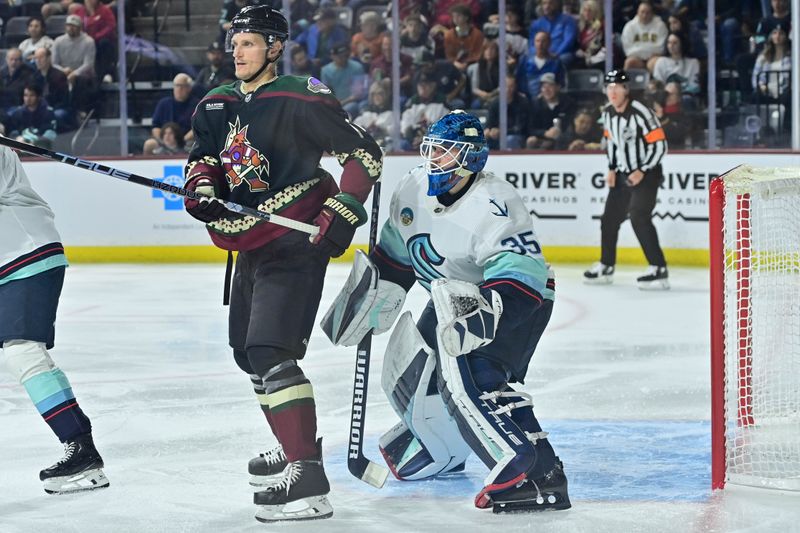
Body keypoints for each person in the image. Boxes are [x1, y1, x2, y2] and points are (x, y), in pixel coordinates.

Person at [182, 5, 382, 523]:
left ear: (274, 47)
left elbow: (364, 155)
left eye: (248, 43)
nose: (237, 52)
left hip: (294, 244)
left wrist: (343, 209)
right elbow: (204, 158)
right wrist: (202, 188)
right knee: (248, 357)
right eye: (234, 43)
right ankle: (291, 443)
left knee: (270, 349)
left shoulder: (301, 95)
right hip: (247, 245)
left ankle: (308, 477)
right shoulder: (215, 104)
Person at [322, 110, 571, 513]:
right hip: (448, 297)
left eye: (445, 152)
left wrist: (478, 322)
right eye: (432, 150)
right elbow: (397, 261)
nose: (433, 159)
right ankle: (444, 449)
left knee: (476, 375)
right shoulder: (413, 188)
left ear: (471, 158)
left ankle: (537, 474)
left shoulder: (496, 201)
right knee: (412, 371)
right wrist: (372, 298)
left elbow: (521, 278)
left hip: (519, 301)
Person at [0, 145, 109, 495]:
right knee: (27, 354)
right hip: (10, 264)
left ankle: (81, 450)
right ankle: (81, 449)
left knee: (22, 352)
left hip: (25, 254)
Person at [583, 70, 669, 289]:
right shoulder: (609, 113)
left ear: (626, 90)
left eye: (617, 87)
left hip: (647, 175)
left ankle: (658, 268)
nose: (612, 91)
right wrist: (611, 168)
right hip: (622, 174)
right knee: (609, 220)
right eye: (609, 87)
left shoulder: (641, 113)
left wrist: (642, 169)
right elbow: (611, 142)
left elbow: (660, 145)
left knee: (639, 216)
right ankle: (606, 265)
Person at [142, 73, 199, 155]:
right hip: (164, 141)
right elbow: (156, 126)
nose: (179, 89)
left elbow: (198, 128)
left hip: (187, 142)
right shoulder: (164, 103)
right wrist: (163, 140)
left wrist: (182, 140)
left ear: (189, 88)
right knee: (149, 144)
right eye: (177, 86)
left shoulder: (197, 105)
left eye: (182, 86)